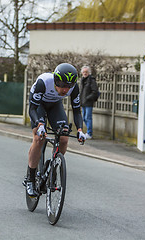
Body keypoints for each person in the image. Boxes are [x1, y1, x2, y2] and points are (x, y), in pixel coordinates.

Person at [25, 63, 86, 197]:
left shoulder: (73, 88)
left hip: (55, 106)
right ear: (56, 81)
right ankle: (30, 178)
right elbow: (32, 109)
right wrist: (40, 124)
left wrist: (80, 130)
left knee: (64, 138)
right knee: (38, 138)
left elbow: (77, 111)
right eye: (62, 85)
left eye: (68, 86)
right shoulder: (43, 82)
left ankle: (55, 166)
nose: (65, 90)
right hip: (39, 106)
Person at [80, 66, 99, 139]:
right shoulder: (82, 80)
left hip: (88, 103)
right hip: (83, 102)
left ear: (89, 73)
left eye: (86, 72)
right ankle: (88, 132)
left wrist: (88, 98)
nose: (85, 73)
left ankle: (89, 133)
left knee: (88, 117)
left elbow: (95, 91)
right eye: (84, 72)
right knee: (84, 118)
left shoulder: (91, 81)